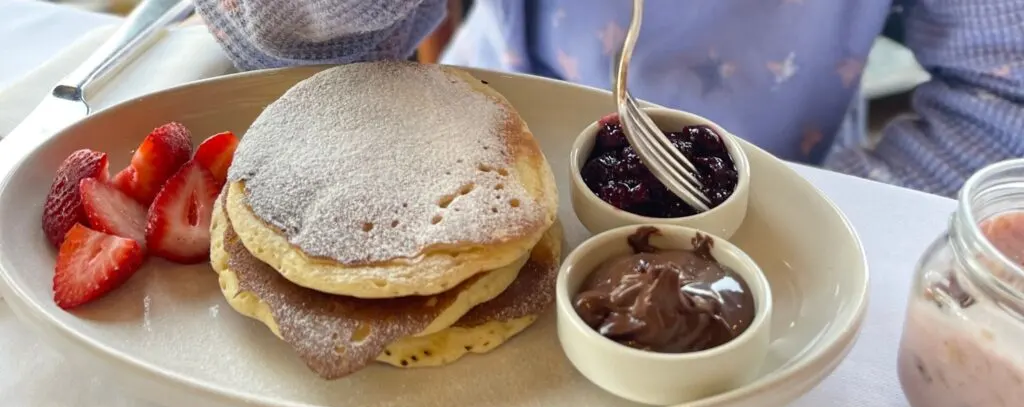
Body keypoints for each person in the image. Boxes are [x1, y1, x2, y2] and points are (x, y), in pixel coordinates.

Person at [193, 0, 1024, 197]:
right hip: (457, 147)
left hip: (771, 186)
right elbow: (295, 35)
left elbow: (1003, 99)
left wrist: (801, 221)